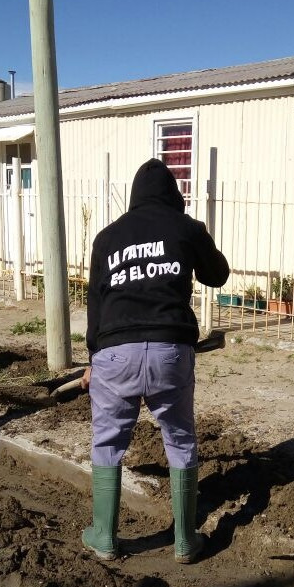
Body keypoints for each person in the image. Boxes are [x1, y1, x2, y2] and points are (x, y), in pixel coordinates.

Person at [81, 158, 229, 564]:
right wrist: (197, 239)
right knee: (179, 438)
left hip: (114, 352)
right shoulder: (185, 228)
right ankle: (185, 541)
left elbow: (95, 303)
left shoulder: (107, 238)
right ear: (173, 195)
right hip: (170, 349)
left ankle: (104, 538)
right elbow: (218, 275)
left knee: (108, 441)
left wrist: (93, 356)